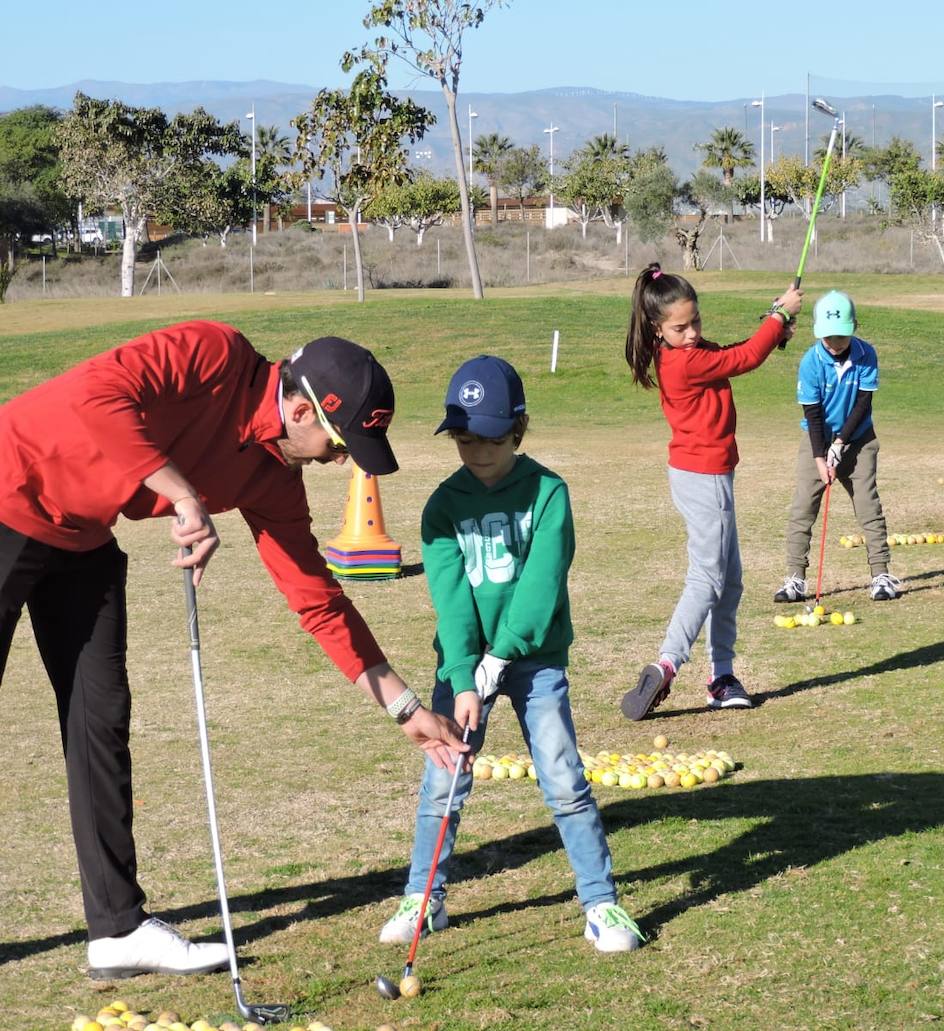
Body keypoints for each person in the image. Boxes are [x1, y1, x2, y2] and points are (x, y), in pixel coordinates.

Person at [0, 320, 470, 979]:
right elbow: (97, 398)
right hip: (9, 485)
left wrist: (406, 709)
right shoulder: (212, 352)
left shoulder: (274, 478)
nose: (342, 462)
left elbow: (318, 600)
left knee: (99, 721)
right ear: (302, 410)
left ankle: (116, 928)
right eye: (340, 445)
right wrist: (183, 493)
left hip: (82, 536)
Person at [379, 355, 645, 953]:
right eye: (466, 439)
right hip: (462, 664)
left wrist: (501, 657)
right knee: (443, 782)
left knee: (563, 778)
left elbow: (541, 583)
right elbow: (450, 603)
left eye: (492, 439)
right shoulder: (441, 507)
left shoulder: (549, 493)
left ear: (518, 431)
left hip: (535, 660)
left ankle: (601, 904)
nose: (477, 452)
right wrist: (464, 675)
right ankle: (424, 899)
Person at [619, 264, 804, 720]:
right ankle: (668, 662)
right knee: (708, 578)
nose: (692, 333)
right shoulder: (683, 362)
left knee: (730, 579)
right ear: (658, 330)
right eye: (680, 328)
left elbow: (737, 352)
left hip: (706, 475)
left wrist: (773, 329)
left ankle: (722, 676)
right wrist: (779, 316)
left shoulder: (692, 352)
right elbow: (743, 360)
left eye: (695, 321)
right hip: (703, 478)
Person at [774, 291, 900, 604]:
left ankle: (881, 575)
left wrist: (841, 443)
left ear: (854, 326)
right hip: (816, 439)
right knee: (803, 506)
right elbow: (812, 415)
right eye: (829, 337)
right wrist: (821, 456)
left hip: (859, 440)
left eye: (841, 336)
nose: (835, 343)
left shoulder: (866, 355)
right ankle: (795, 578)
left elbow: (862, 403)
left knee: (868, 504)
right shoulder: (811, 362)